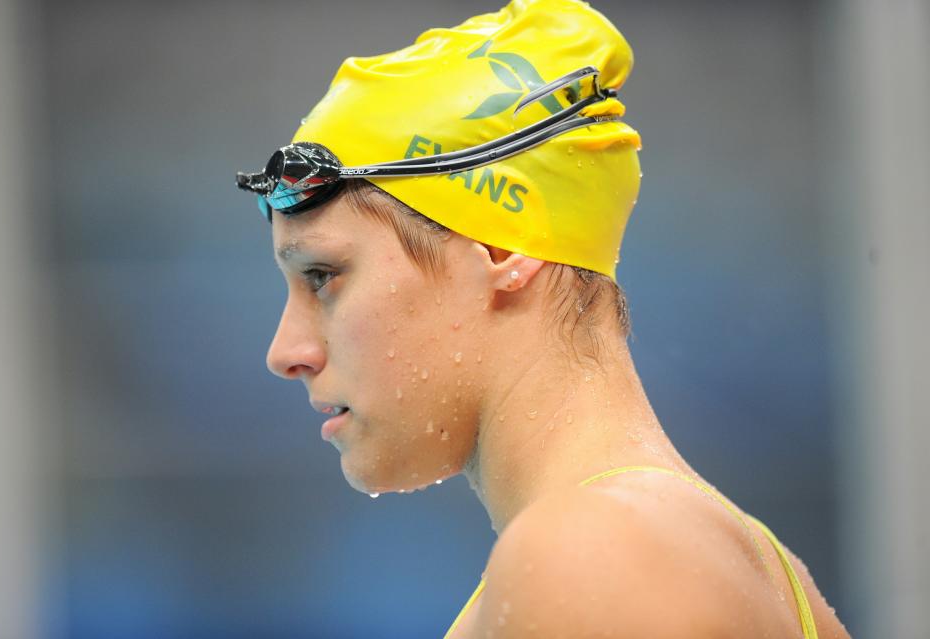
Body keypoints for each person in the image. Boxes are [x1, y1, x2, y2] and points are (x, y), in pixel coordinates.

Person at [235, 0, 851, 636]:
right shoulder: (744, 560)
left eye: (323, 277)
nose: (286, 351)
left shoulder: (590, 556)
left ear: (501, 247)